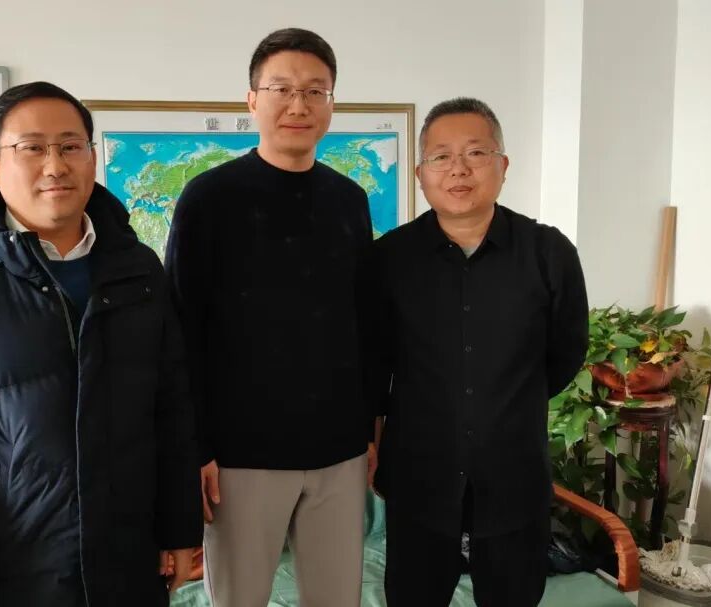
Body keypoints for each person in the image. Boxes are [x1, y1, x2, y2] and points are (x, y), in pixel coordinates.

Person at [0, 81, 201, 607]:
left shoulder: (138, 270)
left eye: (70, 146)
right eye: (32, 148)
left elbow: (172, 406)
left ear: (91, 158)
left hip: (129, 563)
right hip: (9, 570)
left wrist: (180, 530)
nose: (55, 165)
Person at [165, 27, 376, 607]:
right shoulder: (208, 199)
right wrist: (196, 448)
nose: (298, 105)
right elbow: (182, 330)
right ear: (252, 100)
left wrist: (366, 432)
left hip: (339, 451)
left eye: (315, 91)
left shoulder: (349, 200)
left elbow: (361, 324)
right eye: (281, 89)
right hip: (240, 456)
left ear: (331, 103)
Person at [370, 97, 589, 606]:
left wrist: (504, 402)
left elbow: (565, 353)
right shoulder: (389, 259)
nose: (459, 169)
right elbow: (374, 362)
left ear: (502, 165)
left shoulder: (548, 253)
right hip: (419, 475)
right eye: (441, 156)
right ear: (421, 174)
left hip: (514, 474)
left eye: (475, 153)